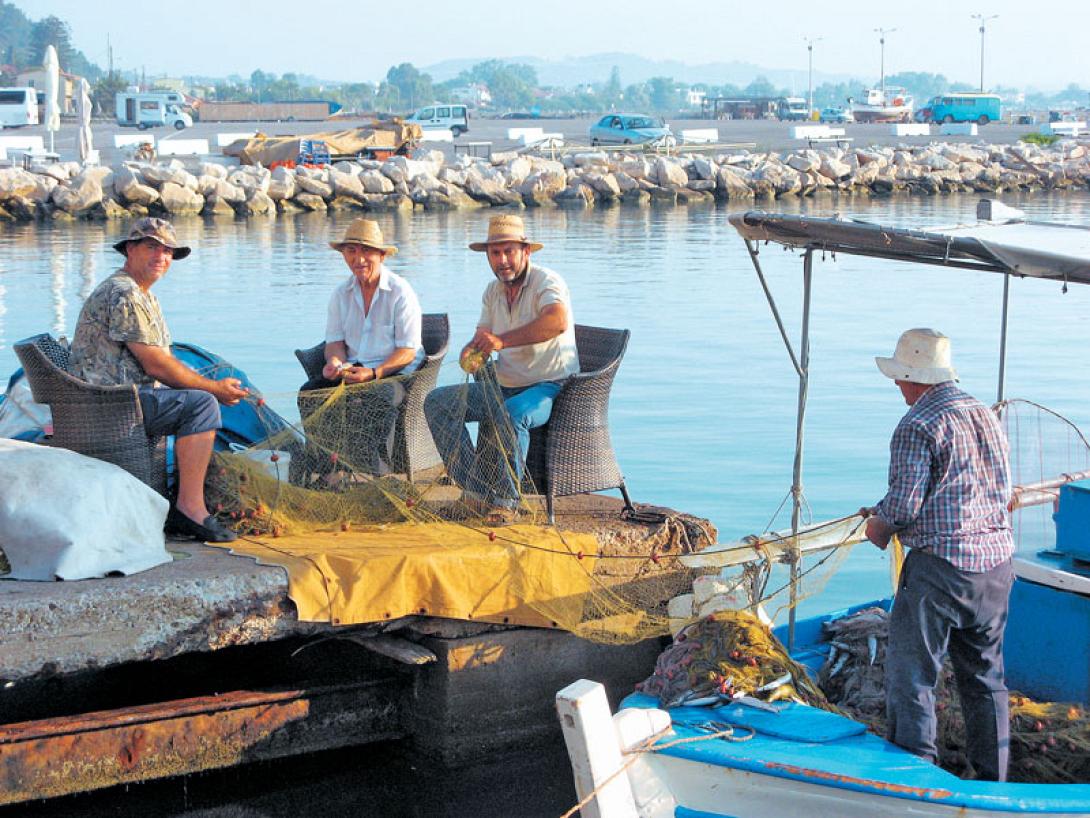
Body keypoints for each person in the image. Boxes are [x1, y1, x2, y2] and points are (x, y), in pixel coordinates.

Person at [863, 328, 1015, 782]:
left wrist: (878, 525)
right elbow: (1001, 487)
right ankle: (994, 781)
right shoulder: (983, 413)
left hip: (941, 571)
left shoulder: (917, 425)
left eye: (899, 376)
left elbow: (905, 505)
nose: (896, 385)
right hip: (996, 568)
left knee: (911, 677)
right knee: (986, 680)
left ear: (915, 377)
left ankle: (914, 778)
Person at [69, 217, 249, 542]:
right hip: (112, 405)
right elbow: (156, 366)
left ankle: (179, 500)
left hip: (112, 400)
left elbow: (161, 360)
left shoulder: (140, 292)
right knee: (202, 406)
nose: (161, 257)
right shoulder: (125, 294)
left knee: (192, 397)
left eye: (168, 251)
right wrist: (215, 389)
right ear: (130, 250)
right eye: (152, 247)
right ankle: (189, 510)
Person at [424, 214, 578, 524]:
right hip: (504, 384)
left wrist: (501, 342)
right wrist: (473, 350)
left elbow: (557, 321)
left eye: (509, 251)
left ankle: (506, 501)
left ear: (526, 252)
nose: (502, 260)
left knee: (511, 413)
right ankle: (475, 492)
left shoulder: (546, 281)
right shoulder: (491, 292)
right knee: (437, 403)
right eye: (495, 253)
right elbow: (484, 338)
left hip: (548, 386)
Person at [297, 218, 423, 475]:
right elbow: (334, 343)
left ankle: (376, 473)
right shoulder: (340, 293)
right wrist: (334, 362)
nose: (359, 259)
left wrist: (374, 374)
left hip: (391, 374)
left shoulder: (401, 291)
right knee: (309, 393)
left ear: (381, 255)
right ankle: (329, 472)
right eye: (351, 251)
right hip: (352, 370)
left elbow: (408, 351)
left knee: (375, 398)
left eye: (366, 251)